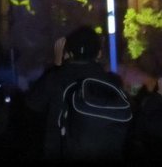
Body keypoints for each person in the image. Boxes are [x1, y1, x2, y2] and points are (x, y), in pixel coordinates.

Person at [25, 25, 128, 160]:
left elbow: (33, 104)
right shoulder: (113, 81)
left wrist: (57, 65)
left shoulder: (57, 77)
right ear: (99, 53)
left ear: (69, 53)